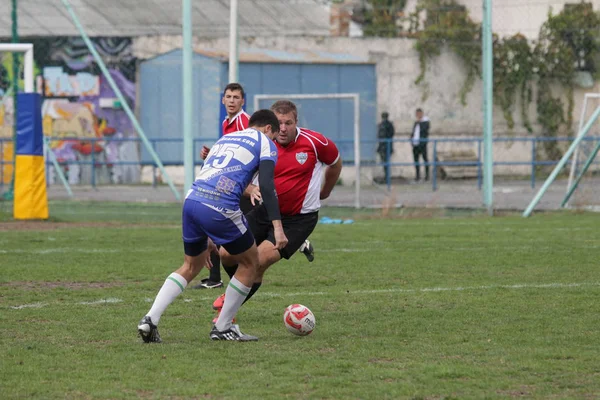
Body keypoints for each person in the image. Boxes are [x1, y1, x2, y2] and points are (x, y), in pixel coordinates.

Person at [137, 109, 288, 342]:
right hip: (219, 206)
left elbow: (209, 170)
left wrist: (206, 231)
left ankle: (150, 319)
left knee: (190, 265)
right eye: (275, 135)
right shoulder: (265, 143)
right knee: (251, 262)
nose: (276, 141)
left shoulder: (226, 138)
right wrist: (278, 227)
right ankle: (223, 326)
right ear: (269, 129)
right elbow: (267, 186)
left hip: (192, 200)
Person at [212, 100, 343, 321]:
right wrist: (250, 188)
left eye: (288, 123)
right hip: (264, 212)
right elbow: (233, 177)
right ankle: (238, 290)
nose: (283, 128)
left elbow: (336, 163)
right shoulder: (259, 145)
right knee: (225, 254)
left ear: (296, 122)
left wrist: (326, 191)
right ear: (271, 124)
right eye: (279, 123)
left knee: (259, 260)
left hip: (298, 220)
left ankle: (229, 308)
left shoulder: (315, 142)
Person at [193, 83, 251, 290]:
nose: (232, 100)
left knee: (220, 227)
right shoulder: (228, 122)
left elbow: (247, 153)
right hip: (232, 184)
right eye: (229, 97)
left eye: (236, 97)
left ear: (243, 101)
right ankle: (216, 278)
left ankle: (227, 280)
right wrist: (212, 155)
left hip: (243, 187)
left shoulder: (245, 123)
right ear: (223, 100)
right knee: (214, 225)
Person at [411, 108, 430, 181]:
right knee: (416, 160)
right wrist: (411, 138)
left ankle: (427, 175)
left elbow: (425, 130)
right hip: (415, 143)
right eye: (416, 114)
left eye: (418, 114)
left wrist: (420, 122)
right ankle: (417, 175)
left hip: (422, 143)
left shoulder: (426, 121)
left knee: (425, 159)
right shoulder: (416, 122)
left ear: (421, 113)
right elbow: (414, 131)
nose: (417, 115)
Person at [376, 111, 395, 183]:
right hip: (383, 146)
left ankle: (387, 178)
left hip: (385, 146)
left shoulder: (387, 125)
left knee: (386, 163)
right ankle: (386, 177)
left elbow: (390, 135)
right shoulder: (382, 125)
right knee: (385, 163)